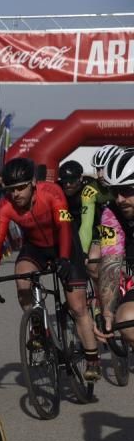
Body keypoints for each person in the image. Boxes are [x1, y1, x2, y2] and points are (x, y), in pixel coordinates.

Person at [0, 157, 100, 381]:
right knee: (22, 281)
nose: (15, 194)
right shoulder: (5, 205)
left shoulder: (52, 192)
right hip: (35, 247)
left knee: (77, 306)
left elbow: (64, 226)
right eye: (11, 189)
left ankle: (92, 359)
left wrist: (64, 259)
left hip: (64, 244)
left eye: (20, 188)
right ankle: (38, 331)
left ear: (33, 183)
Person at [93, 149, 134, 347]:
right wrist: (107, 313)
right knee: (126, 320)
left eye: (126, 190)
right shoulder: (112, 214)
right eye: (114, 191)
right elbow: (111, 264)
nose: (119, 199)